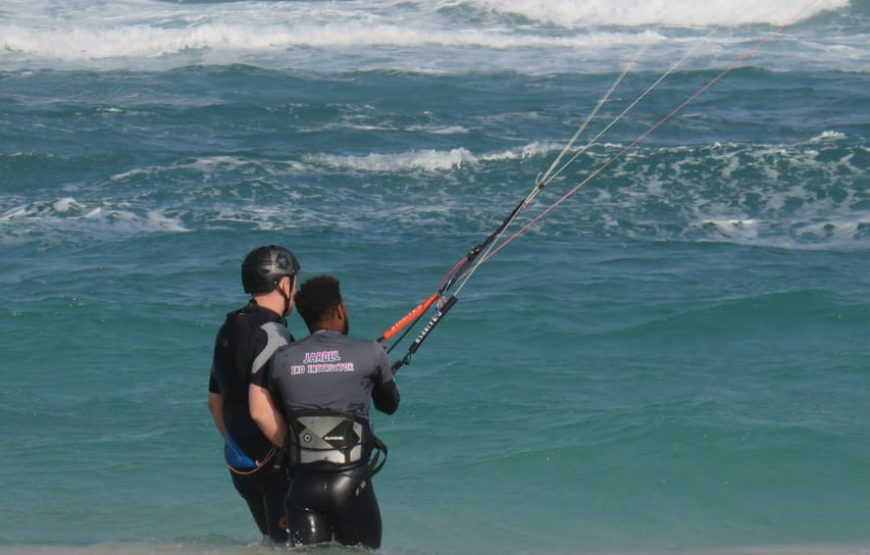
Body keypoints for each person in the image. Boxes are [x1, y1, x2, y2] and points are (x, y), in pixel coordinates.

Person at [249, 275, 400, 549]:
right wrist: (378, 371)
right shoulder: (371, 353)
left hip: (302, 488)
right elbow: (389, 405)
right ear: (340, 310)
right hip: (351, 484)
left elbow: (280, 408)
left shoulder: (282, 358)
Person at [207, 245, 301, 544]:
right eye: (294, 282)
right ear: (283, 284)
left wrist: (239, 446)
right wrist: (293, 451)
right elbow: (261, 411)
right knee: (291, 547)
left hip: (240, 463)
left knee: (271, 544)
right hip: (271, 463)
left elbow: (214, 402)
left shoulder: (229, 328)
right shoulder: (275, 334)